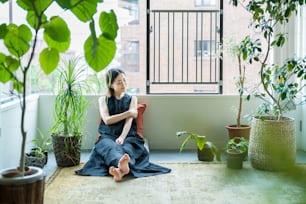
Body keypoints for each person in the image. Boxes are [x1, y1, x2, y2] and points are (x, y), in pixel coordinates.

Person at [75, 68, 171, 181]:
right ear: (111, 85)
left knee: (128, 149)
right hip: (108, 135)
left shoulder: (132, 99)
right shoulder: (103, 100)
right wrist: (129, 112)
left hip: (129, 134)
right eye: (119, 82)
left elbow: (129, 121)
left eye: (124, 80)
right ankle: (122, 168)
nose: (123, 84)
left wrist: (122, 136)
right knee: (111, 148)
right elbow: (107, 120)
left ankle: (120, 171)